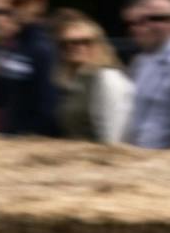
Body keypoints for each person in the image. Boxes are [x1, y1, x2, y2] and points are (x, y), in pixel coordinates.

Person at [0, 0, 59, 135]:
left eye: (21, 2)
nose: (15, 7)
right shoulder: (14, 45)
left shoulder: (43, 48)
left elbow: (48, 107)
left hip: (30, 144)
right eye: (12, 1)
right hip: (8, 139)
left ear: (40, 6)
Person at [122, 0, 170, 149]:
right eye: (140, 20)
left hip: (168, 159)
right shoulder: (140, 61)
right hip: (136, 157)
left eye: (157, 19)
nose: (145, 25)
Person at [52, 12, 135, 143]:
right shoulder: (67, 82)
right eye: (65, 43)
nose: (73, 47)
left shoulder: (108, 78)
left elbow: (114, 136)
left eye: (84, 42)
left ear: (98, 44)